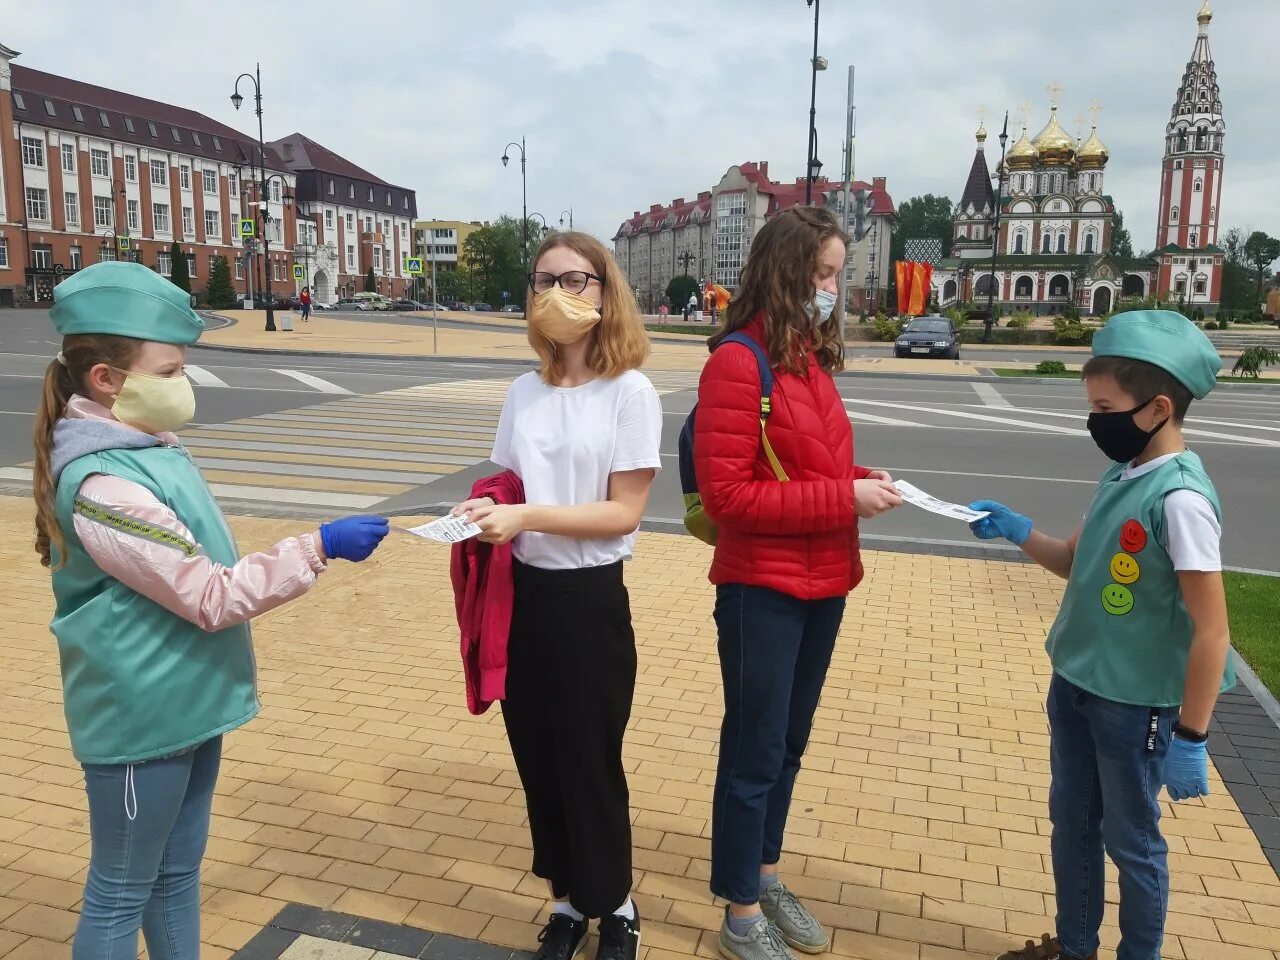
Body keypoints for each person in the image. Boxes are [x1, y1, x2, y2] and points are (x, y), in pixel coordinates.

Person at [33, 261, 390, 960]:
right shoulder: (103, 480)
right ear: (108, 379)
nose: (182, 383)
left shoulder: (145, 446)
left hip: (186, 701)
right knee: (119, 891)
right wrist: (316, 547)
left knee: (173, 877)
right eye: (168, 371)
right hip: (141, 718)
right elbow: (210, 594)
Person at [968, 310, 1232, 960]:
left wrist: (1192, 737)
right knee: (1073, 828)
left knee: (1133, 843)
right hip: (1078, 687)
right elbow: (1072, 561)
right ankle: (1076, 948)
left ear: (1157, 407)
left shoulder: (1180, 500)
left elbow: (1213, 630)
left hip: (1135, 706)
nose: (1095, 420)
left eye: (1105, 406)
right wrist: (1019, 530)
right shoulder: (1121, 474)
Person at [693, 206, 902, 960]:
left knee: (788, 745)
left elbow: (804, 467)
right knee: (753, 750)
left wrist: (855, 477)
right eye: (822, 275)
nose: (832, 289)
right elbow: (730, 498)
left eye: (837, 275)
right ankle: (740, 913)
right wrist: (843, 499)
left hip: (823, 582)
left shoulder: (805, 358)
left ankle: (766, 872)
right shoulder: (736, 363)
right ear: (786, 274)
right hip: (761, 589)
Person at [451, 232, 662, 960]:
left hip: (590, 603)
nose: (557, 294)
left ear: (606, 290)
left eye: (575, 279)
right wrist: (481, 513)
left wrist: (525, 516)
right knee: (537, 758)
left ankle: (619, 907)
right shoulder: (523, 391)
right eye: (543, 281)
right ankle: (567, 903)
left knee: (589, 760)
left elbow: (623, 512)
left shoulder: (629, 390)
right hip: (524, 597)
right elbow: (507, 485)